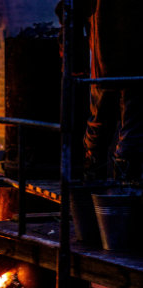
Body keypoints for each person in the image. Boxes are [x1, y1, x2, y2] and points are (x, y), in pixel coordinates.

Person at [56, 1, 143, 182]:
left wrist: (74, 61)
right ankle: (124, 185)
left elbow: (68, 11)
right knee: (131, 126)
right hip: (134, 62)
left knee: (100, 122)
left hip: (103, 65)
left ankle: (94, 178)